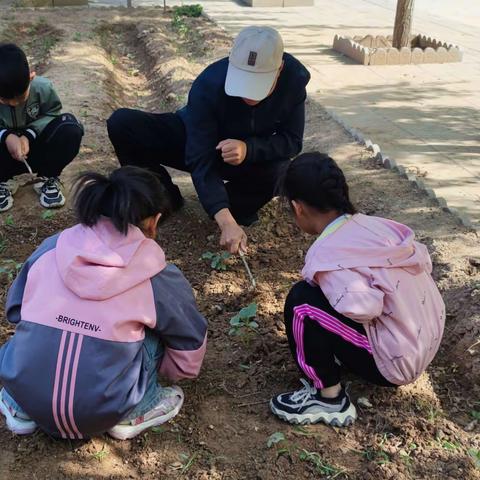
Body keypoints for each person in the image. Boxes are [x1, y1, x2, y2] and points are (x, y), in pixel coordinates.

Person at [0, 166, 207, 440]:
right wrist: (173, 372)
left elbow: (15, 311)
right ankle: (139, 408)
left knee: (32, 332)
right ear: (153, 222)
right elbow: (188, 340)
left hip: (25, 391)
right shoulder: (157, 274)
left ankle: (19, 409)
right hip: (105, 407)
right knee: (156, 332)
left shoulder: (51, 247)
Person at [270, 152, 445, 427]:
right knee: (318, 302)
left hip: (395, 363)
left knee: (302, 302)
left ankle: (328, 397)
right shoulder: (374, 226)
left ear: (298, 208)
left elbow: (363, 308)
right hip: (423, 340)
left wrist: (325, 285)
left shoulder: (327, 252)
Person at [107, 26, 310, 254]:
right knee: (123, 123)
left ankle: (233, 207)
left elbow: (292, 141)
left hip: (245, 160)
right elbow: (199, 157)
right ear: (231, 64)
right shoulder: (209, 84)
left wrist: (249, 149)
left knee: (282, 170)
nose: (248, 95)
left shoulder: (294, 81)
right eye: (243, 83)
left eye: (258, 85)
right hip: (198, 141)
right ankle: (163, 198)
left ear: (279, 69)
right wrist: (226, 223)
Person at [0, 43, 83, 212]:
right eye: (4, 100)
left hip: (37, 151)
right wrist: (6, 136)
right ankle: (2, 180)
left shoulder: (43, 88)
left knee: (70, 127)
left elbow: (53, 113)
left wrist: (29, 135)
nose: (13, 104)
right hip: (4, 155)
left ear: (31, 78)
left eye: (20, 98)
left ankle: (48, 177)